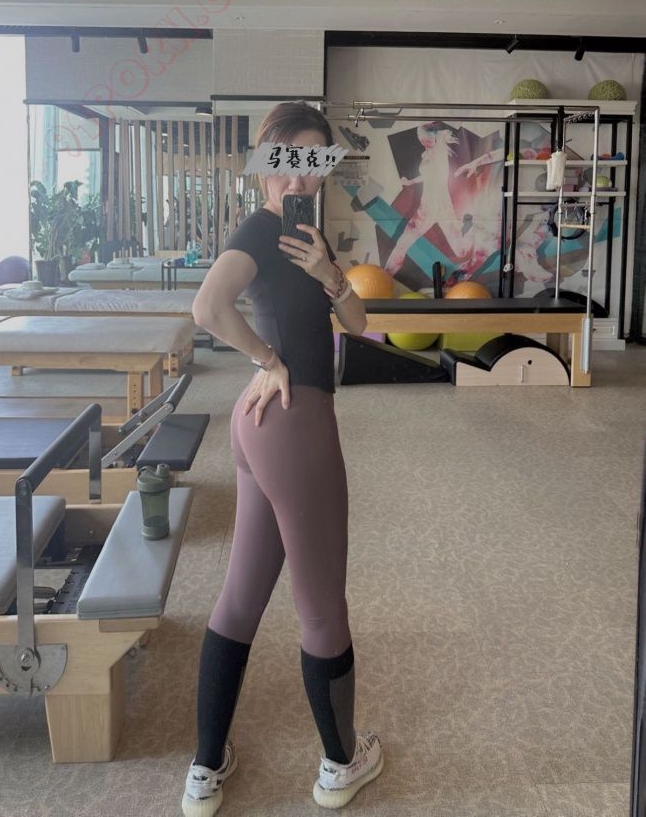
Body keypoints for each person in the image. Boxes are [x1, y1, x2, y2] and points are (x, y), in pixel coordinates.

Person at [182, 102, 384, 816]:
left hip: (260, 428)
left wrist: (332, 273)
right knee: (322, 609)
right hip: (294, 423)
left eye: (311, 162)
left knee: (241, 597)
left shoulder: (305, 237)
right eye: (285, 160)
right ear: (264, 162)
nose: (297, 178)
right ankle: (341, 765)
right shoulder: (259, 229)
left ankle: (205, 770)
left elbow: (359, 322)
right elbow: (209, 308)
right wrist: (268, 358)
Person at [385, 122, 468, 275]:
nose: (424, 143)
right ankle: (386, 275)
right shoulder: (425, 154)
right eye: (421, 140)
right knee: (402, 243)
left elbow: (440, 137)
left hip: (443, 208)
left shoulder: (440, 149)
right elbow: (428, 175)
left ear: (434, 136)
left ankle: (469, 228)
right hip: (426, 209)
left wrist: (438, 134)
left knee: (461, 252)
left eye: (426, 139)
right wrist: (410, 182)